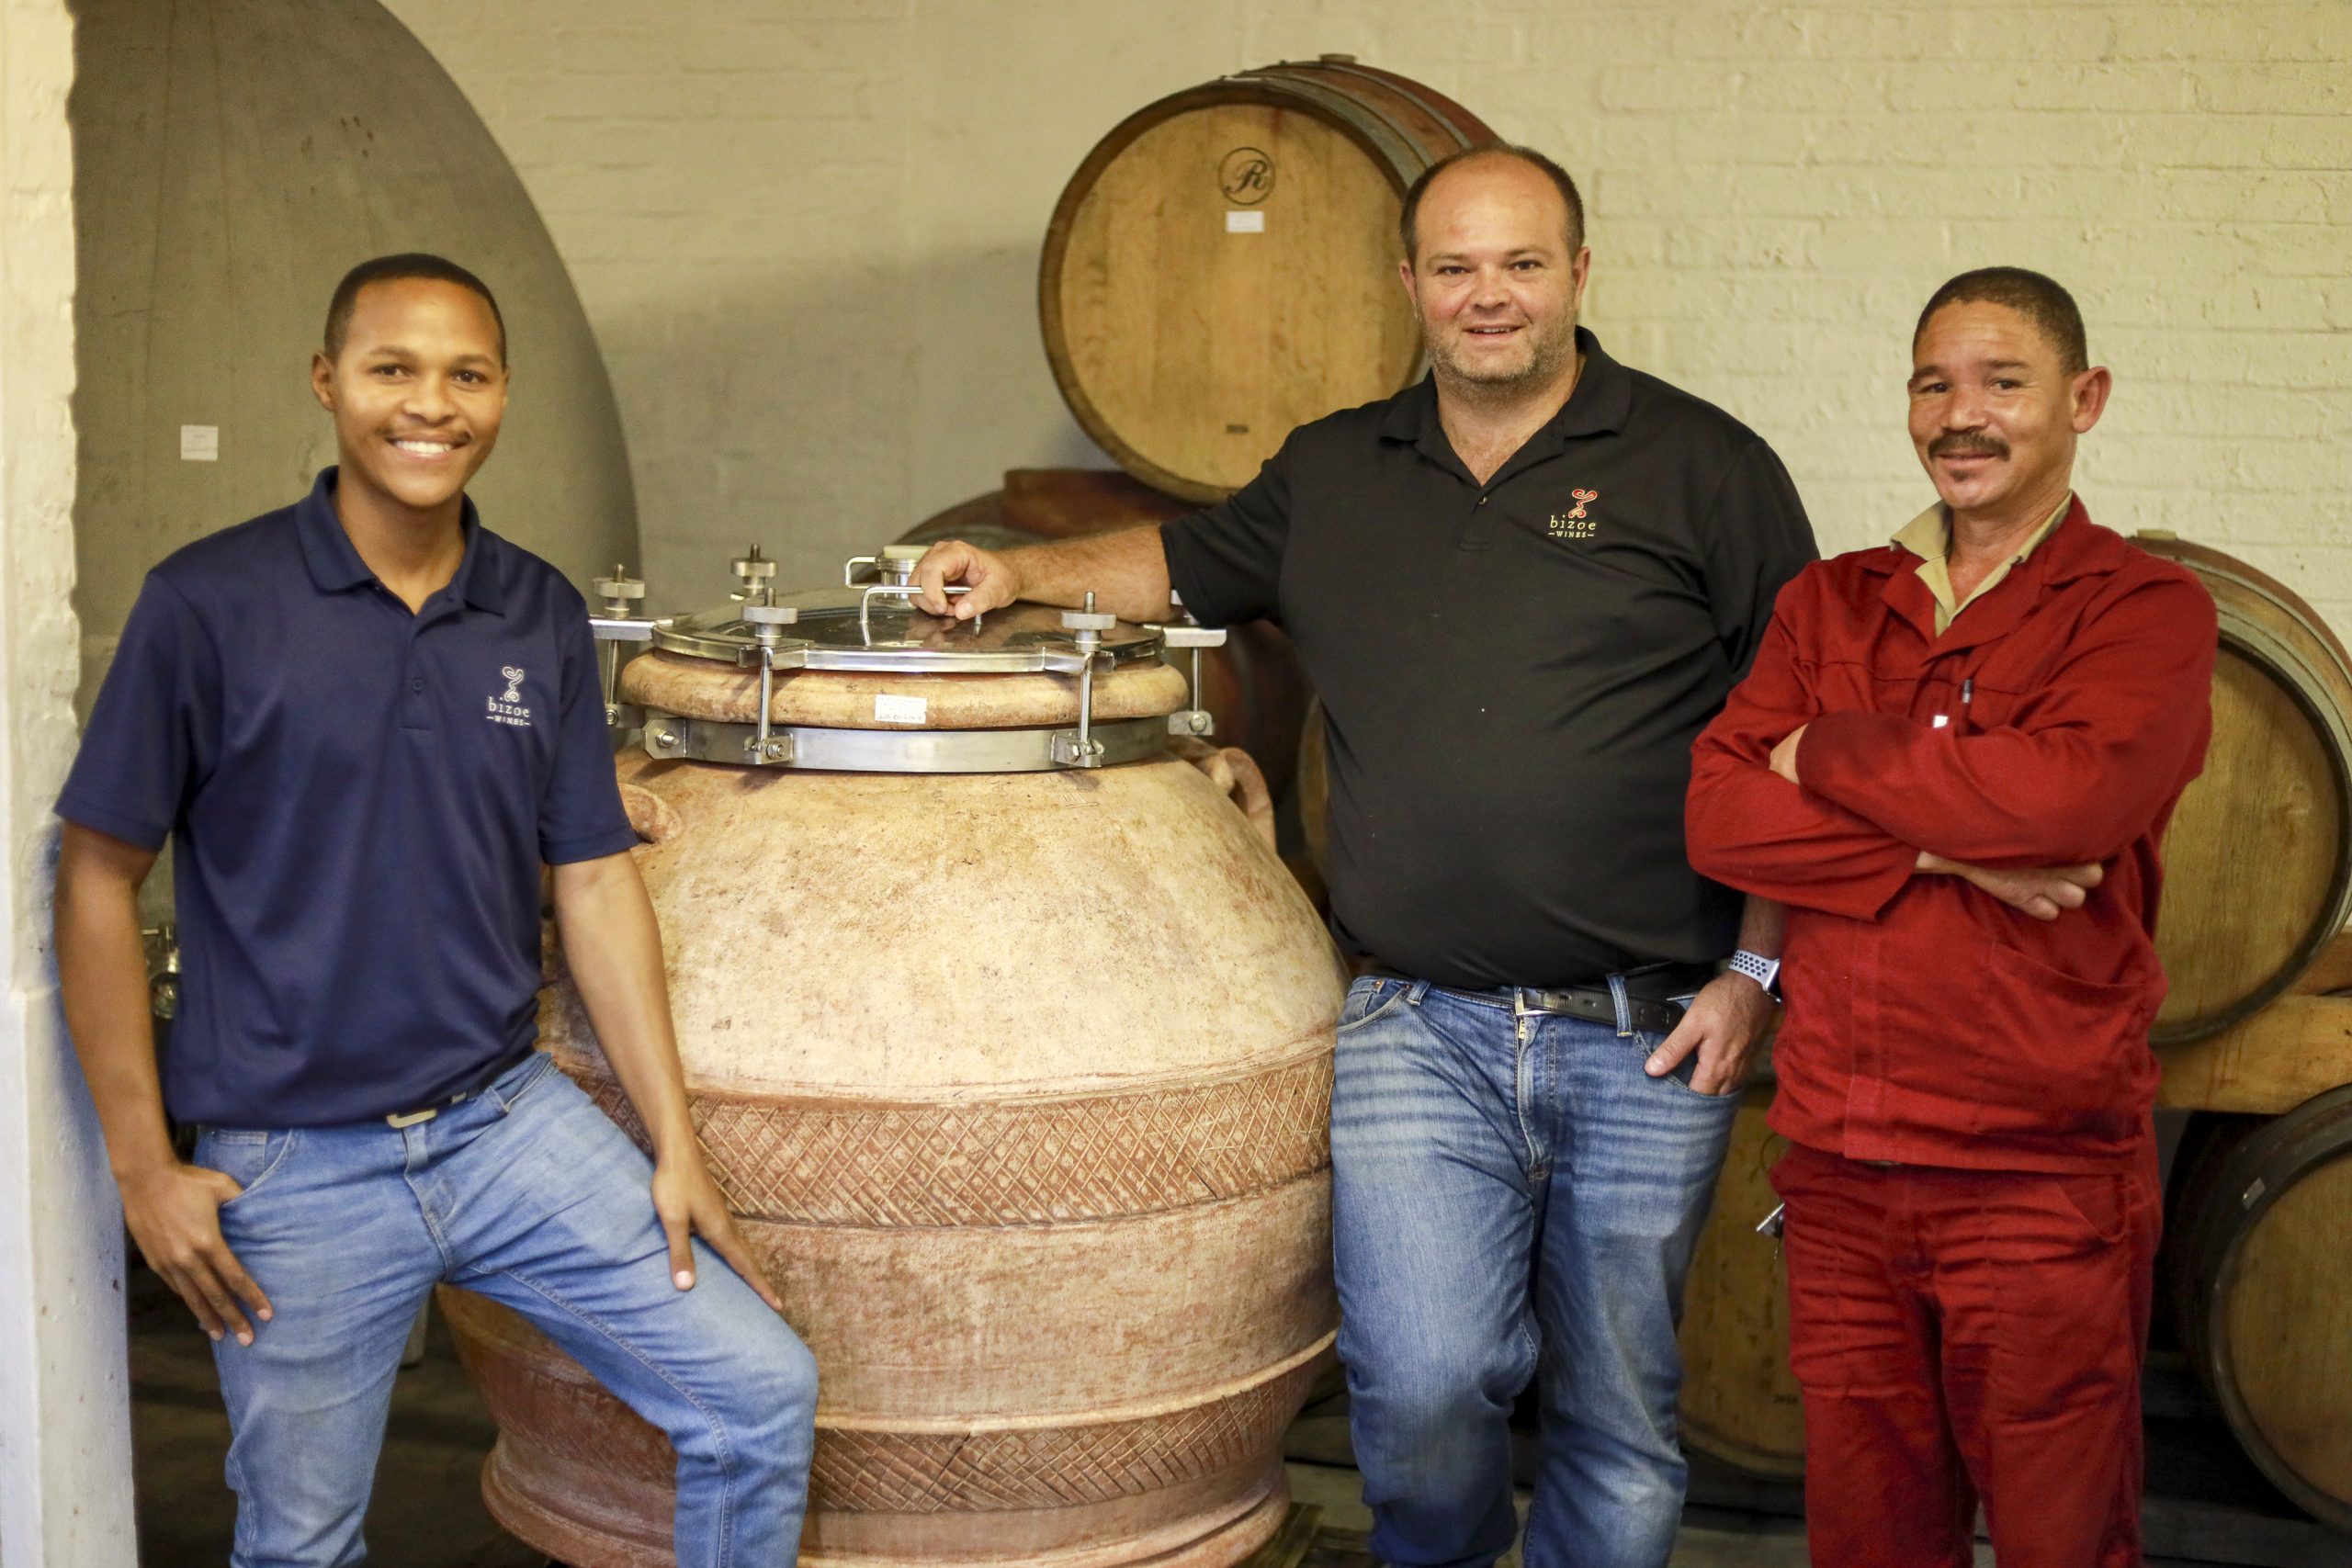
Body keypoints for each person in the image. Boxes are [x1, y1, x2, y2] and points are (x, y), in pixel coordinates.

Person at [912, 146, 1816, 1568]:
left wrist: (1759, 969)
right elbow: (1185, 561)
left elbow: (1795, 740)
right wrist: (1019, 572)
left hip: (1648, 1028)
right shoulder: (1339, 468)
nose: (1489, 296)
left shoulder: (1707, 467)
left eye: (1523, 264)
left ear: (1581, 275)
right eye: (1454, 267)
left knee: (1619, 1408)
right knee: (1418, 1385)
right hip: (1413, 1025)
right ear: (1409, 286)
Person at [52, 254, 818, 1568]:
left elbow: (589, 876)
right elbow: (97, 876)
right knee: (302, 1545)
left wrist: (672, 1144)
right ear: (328, 381)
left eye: (467, 374)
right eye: (392, 369)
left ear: (502, 390)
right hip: (294, 1162)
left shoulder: (534, 610)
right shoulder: (209, 603)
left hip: (508, 1125)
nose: (432, 405)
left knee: (757, 1396)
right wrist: (143, 1168)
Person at [1684, 266, 2217, 1567]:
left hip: (2038, 1173)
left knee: (2061, 1536)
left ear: (2083, 400)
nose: (1960, 415)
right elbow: (1716, 814)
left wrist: (1821, 755)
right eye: (1935, 384)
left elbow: (2070, 802)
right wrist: (1946, 852)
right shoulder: (1832, 600)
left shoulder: (2142, 608)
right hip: (1842, 1160)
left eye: (2002, 382)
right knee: (1871, 1536)